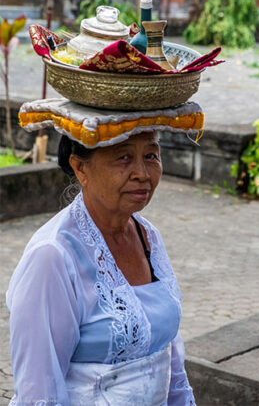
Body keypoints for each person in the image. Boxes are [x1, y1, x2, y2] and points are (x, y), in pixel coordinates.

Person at [6, 130, 196, 406]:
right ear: (80, 168)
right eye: (124, 157)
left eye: (151, 155)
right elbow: (40, 391)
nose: (142, 173)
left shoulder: (148, 237)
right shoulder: (53, 257)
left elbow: (169, 357)